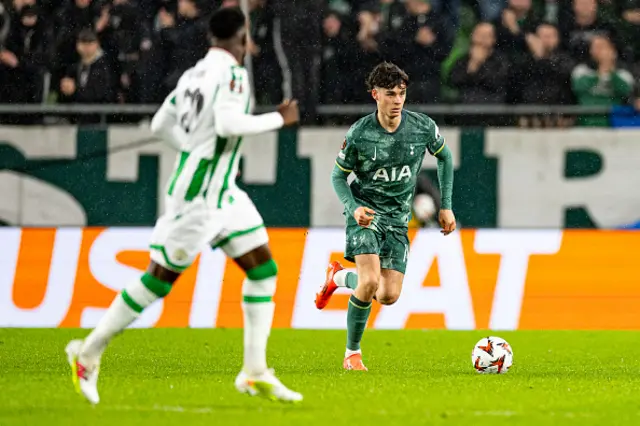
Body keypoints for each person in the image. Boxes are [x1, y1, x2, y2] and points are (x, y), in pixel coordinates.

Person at [65, 6, 302, 404]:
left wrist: (195, 151)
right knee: (157, 280)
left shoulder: (195, 73)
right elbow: (228, 125)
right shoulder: (231, 74)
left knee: (263, 269)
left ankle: (254, 371)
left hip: (223, 190)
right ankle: (87, 352)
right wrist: (278, 119)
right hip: (198, 197)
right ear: (241, 39)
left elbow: (161, 124)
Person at [314, 62, 456, 371]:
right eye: (390, 94)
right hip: (365, 214)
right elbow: (338, 177)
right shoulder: (360, 134)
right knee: (368, 281)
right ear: (375, 95)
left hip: (398, 220)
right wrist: (354, 208)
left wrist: (445, 205)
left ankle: (337, 277)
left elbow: (445, 156)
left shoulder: (421, 127)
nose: (397, 101)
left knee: (388, 295)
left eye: (402, 94)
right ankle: (352, 354)